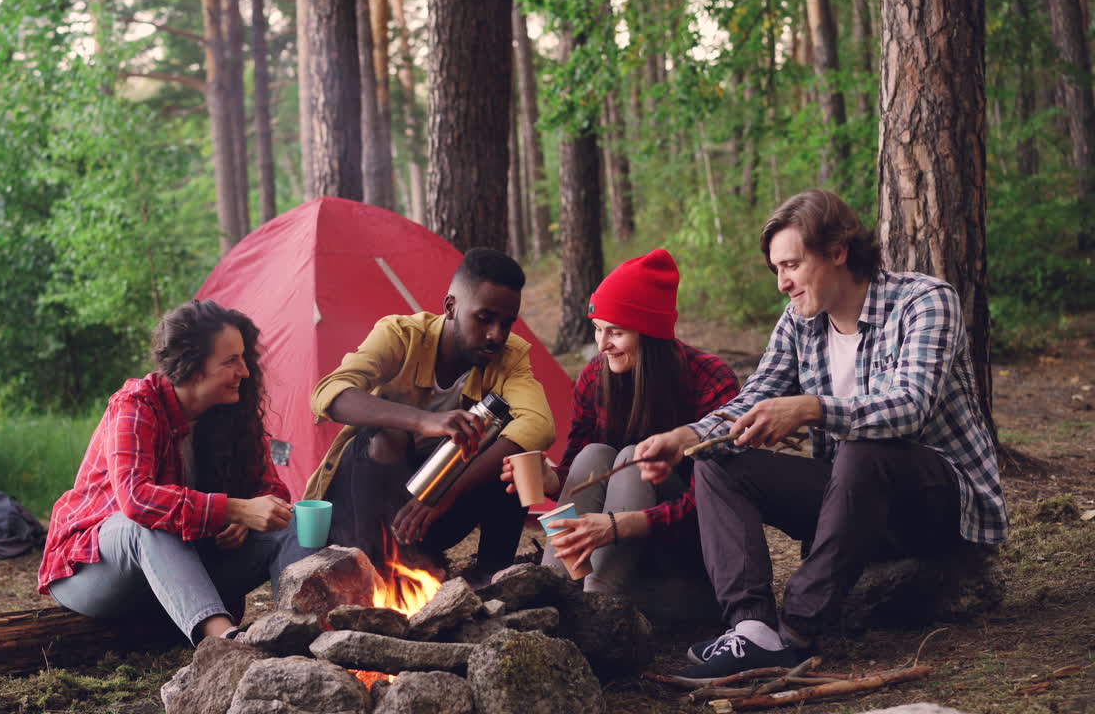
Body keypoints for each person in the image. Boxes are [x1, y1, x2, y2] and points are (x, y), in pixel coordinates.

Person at [634, 190, 1008, 678]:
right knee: (718, 462)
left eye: (791, 265)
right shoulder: (800, 321)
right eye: (776, 270)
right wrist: (686, 436)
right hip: (853, 506)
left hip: (937, 507)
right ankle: (752, 629)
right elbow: (753, 398)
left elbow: (910, 408)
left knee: (863, 450)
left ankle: (797, 632)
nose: (782, 283)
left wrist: (809, 408)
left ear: (837, 252)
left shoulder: (925, 301)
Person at [39, 300, 312, 644]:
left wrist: (248, 518)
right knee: (149, 522)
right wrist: (236, 508)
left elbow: (270, 489)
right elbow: (137, 500)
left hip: (180, 580)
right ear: (193, 367)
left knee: (293, 521)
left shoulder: (232, 414)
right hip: (93, 571)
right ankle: (225, 641)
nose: (244, 371)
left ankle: (304, 632)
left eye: (244, 358)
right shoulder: (137, 405)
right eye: (231, 361)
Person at [304, 247, 556, 586]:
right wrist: (423, 420)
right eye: (484, 318)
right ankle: (378, 565)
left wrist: (443, 493)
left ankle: (492, 575)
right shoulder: (402, 336)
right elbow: (329, 393)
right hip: (366, 507)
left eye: (506, 323)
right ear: (451, 307)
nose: (496, 335)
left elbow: (539, 425)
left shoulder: (510, 358)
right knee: (386, 436)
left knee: (521, 458)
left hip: (431, 510)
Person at [500, 249, 739, 594]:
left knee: (632, 458)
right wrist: (551, 481)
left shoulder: (711, 380)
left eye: (616, 333)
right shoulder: (595, 378)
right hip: (618, 553)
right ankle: (553, 588)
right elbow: (582, 479)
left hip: (685, 564)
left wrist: (619, 525)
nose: (602, 345)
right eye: (598, 330)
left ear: (651, 333)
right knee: (594, 454)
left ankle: (600, 602)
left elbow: (714, 497)